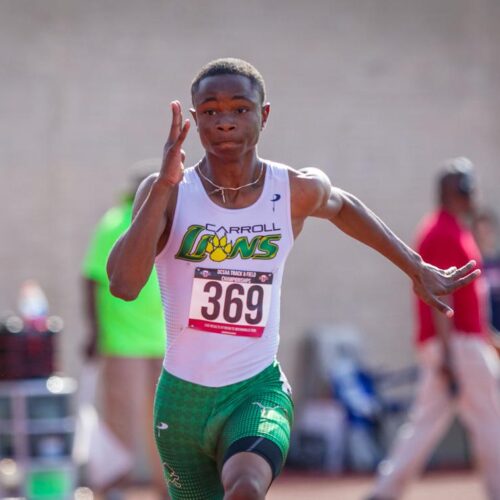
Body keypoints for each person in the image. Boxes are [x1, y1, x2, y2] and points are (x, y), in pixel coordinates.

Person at [106, 58, 480, 500]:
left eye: (240, 109)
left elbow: (343, 207)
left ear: (264, 115)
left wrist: (415, 268)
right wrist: (166, 187)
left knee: (245, 487)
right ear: (193, 119)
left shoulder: (292, 189)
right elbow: (124, 285)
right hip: (182, 402)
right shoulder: (166, 191)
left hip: (256, 390)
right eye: (209, 111)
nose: (224, 122)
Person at [368, 158, 500, 500]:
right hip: (457, 345)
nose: (475, 194)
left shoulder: (452, 228)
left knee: (425, 424)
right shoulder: (442, 231)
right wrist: (448, 356)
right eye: (469, 187)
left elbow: (471, 297)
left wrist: (488, 338)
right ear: (457, 191)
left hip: (461, 344)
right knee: (490, 421)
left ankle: (385, 491)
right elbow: (440, 299)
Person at [82, 160, 168, 500]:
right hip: (122, 341)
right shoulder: (115, 223)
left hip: (162, 339)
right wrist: (94, 332)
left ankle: (169, 487)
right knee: (120, 417)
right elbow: (90, 278)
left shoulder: (165, 222)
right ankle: (114, 487)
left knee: (165, 421)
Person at [474, 209, 500, 334]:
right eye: (481, 232)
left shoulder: (497, 263)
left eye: (487, 231)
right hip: (484, 334)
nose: (485, 236)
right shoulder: (473, 266)